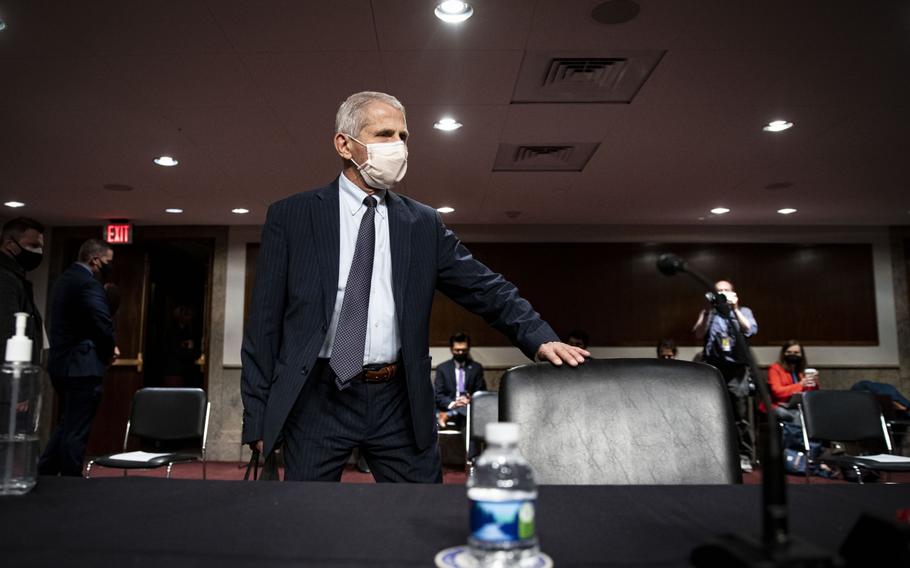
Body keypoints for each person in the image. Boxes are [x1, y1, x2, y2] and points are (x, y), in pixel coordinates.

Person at [241, 91, 588, 483]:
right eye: (385, 134)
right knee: (309, 523)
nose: (399, 147)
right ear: (344, 143)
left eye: (404, 137)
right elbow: (263, 327)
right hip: (319, 397)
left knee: (422, 513)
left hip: (399, 399)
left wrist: (540, 337)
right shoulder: (292, 217)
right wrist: (256, 418)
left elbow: (485, 287)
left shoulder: (423, 224)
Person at [38, 239, 117, 477]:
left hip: (61, 363)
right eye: (108, 262)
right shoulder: (88, 284)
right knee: (77, 428)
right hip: (82, 365)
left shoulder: (63, 280)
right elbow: (101, 322)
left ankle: (45, 472)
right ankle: (71, 478)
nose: (109, 266)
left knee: (67, 423)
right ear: (95, 260)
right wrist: (110, 349)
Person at [692, 279, 758, 472]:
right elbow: (697, 334)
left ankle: (744, 456)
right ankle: (713, 455)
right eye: (718, 291)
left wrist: (734, 309)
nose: (721, 294)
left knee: (740, 416)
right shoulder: (708, 313)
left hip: (737, 370)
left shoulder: (743, 312)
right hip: (713, 369)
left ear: (734, 293)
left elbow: (749, 330)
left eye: (725, 291)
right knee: (713, 413)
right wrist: (707, 311)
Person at [0, 217, 45, 363]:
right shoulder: (5, 278)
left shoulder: (16, 276)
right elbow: (7, 332)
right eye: (32, 245)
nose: (38, 251)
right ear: (9, 244)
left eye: (40, 247)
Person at [434, 332, 486, 429]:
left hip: (469, 405)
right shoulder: (442, 368)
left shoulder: (476, 368)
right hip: (450, 405)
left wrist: (470, 399)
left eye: (464, 350)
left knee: (471, 410)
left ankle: (449, 415)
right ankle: (452, 412)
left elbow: (481, 392)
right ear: (451, 349)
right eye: (457, 350)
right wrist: (454, 404)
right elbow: (438, 395)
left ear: (468, 348)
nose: (460, 353)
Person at [766, 340, 819, 422]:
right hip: (778, 405)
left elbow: (811, 394)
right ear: (783, 354)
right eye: (789, 352)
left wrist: (814, 383)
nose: (792, 355)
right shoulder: (775, 369)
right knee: (797, 416)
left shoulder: (802, 371)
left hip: (798, 405)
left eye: (796, 352)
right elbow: (777, 392)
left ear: (801, 355)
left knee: (814, 412)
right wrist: (801, 385)